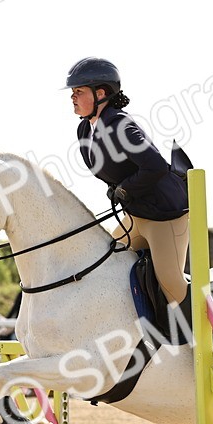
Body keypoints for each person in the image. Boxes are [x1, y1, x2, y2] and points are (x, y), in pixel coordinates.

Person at [67, 57, 190, 306]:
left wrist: (124, 189)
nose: (73, 97)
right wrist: (117, 189)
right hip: (137, 215)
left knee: (170, 282)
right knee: (106, 265)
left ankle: (203, 335)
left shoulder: (121, 125)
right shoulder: (84, 130)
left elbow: (154, 165)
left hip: (164, 213)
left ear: (100, 93)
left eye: (78, 91)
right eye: (72, 92)